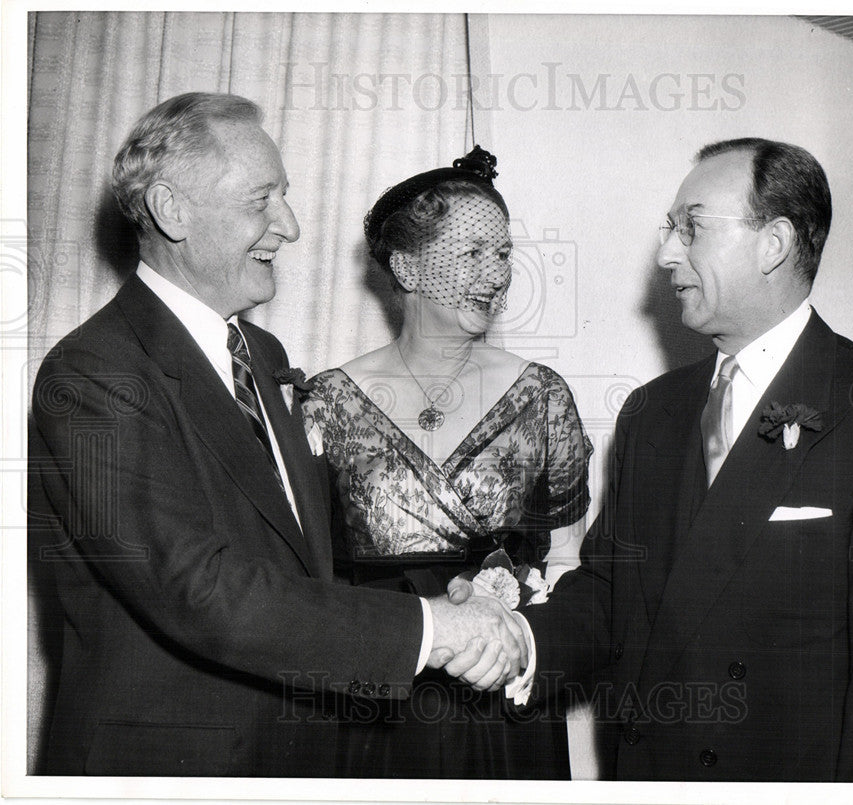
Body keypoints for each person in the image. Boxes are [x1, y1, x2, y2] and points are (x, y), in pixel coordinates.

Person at [28, 92, 527, 777]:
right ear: (173, 211)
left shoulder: (259, 352)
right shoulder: (94, 373)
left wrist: (459, 591)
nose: (288, 226)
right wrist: (432, 628)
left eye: (284, 197)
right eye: (262, 200)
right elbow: (196, 587)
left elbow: (297, 565)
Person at [513, 138, 853, 781]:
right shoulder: (651, 412)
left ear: (773, 243)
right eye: (670, 229)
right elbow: (611, 596)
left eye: (690, 227)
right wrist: (518, 640)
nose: (667, 253)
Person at [301, 147, 593, 779]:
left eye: (504, 253)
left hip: (501, 697)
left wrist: (529, 634)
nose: (496, 274)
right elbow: (309, 576)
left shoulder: (541, 397)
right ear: (406, 266)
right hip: (379, 699)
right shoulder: (326, 401)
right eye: (472, 253)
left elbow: (570, 562)